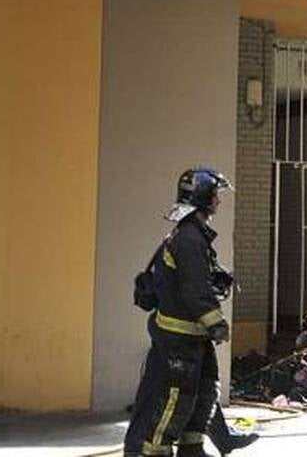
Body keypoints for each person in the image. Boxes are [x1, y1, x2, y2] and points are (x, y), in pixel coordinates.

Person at [124, 168, 235, 457]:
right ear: (202, 198)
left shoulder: (193, 235)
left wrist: (218, 278)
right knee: (175, 400)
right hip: (179, 338)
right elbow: (193, 290)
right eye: (215, 196)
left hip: (193, 337)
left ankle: (192, 448)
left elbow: (193, 279)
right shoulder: (189, 238)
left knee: (203, 394)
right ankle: (154, 452)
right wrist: (217, 323)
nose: (218, 202)